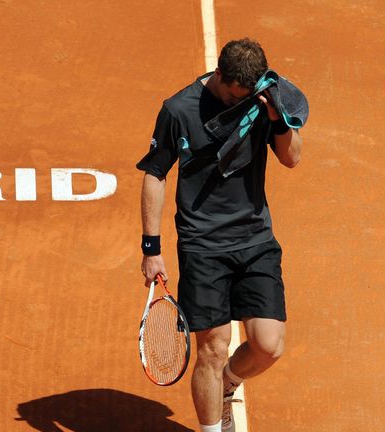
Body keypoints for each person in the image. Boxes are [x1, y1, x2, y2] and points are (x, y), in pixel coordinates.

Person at [137, 38, 303, 432]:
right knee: (211, 350)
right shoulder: (178, 110)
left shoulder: (261, 100)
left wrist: (278, 118)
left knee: (268, 346)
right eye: (233, 95)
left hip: (255, 240)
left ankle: (228, 382)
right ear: (220, 76)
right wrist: (151, 247)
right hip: (203, 247)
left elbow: (292, 157)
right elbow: (155, 175)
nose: (238, 102)